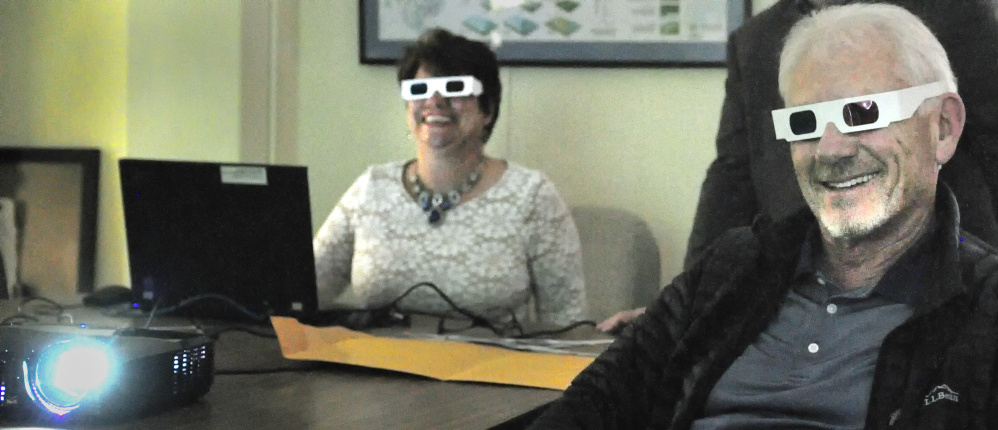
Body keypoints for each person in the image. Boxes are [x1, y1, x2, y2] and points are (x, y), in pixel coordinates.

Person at [531, 4, 998, 428]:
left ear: (943, 127)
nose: (831, 149)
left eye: (863, 113)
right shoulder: (726, 274)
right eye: (804, 122)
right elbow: (585, 410)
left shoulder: (982, 313)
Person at [597, 0, 998, 333]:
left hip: (944, 287)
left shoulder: (958, 16)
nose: (831, 148)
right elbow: (732, 175)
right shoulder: (757, 41)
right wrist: (687, 308)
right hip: (802, 286)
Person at [313, 28, 585, 326]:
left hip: (490, 369)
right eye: (420, 91)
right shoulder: (371, 188)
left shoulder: (532, 195)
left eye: (455, 88)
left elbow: (567, 322)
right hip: (372, 368)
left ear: (488, 110)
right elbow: (306, 288)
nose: (435, 101)